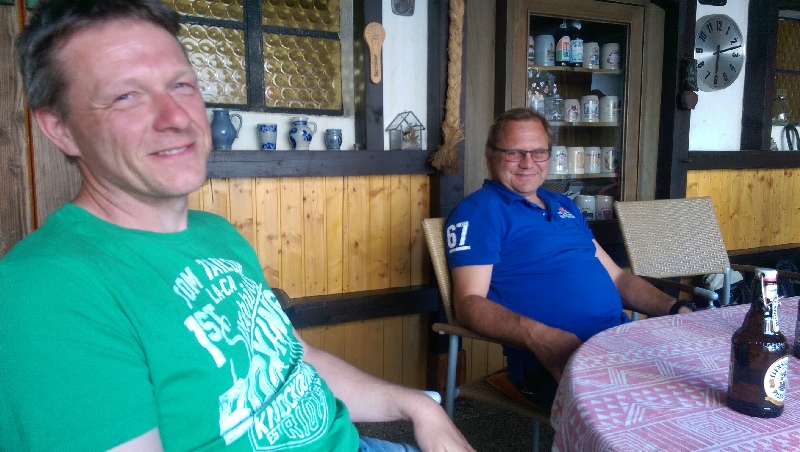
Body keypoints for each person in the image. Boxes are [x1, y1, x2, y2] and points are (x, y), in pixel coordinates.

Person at [0, 1, 475, 451]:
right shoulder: (45, 291)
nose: (176, 118)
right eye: (126, 96)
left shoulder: (215, 233)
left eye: (182, 85)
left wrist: (420, 407)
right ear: (59, 127)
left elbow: (295, 361)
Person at [444, 108, 695, 410]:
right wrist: (541, 337)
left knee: (703, 381)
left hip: (618, 341)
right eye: (514, 152)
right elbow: (468, 304)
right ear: (489, 156)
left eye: (538, 152)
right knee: (661, 408)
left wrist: (674, 308)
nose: (528, 163)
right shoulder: (479, 211)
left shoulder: (563, 205)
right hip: (555, 356)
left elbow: (617, 277)